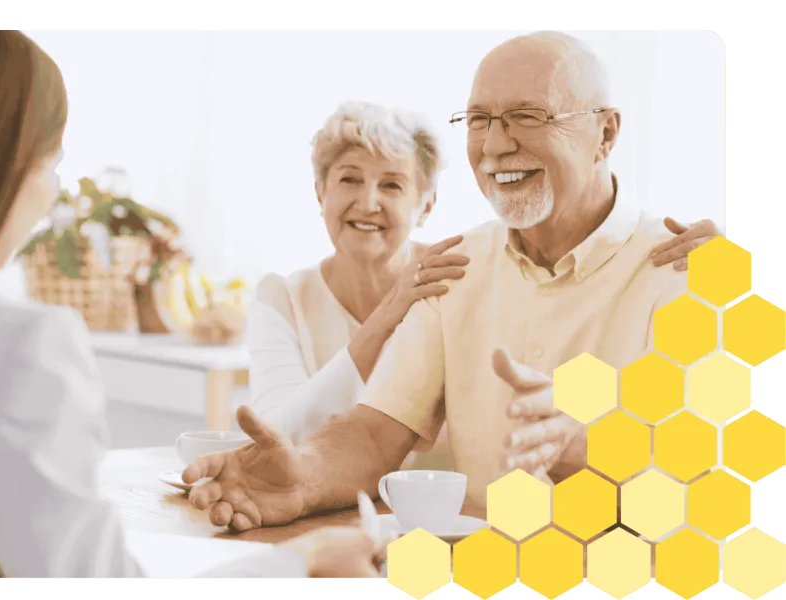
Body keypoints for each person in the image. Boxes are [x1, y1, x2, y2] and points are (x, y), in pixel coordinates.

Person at [182, 31, 722, 532]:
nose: (494, 146)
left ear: (605, 133)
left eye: (526, 116)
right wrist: (305, 476)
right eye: (480, 119)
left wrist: (586, 446)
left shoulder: (687, 273)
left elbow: (707, 489)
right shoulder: (456, 268)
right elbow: (375, 433)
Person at [0, 30, 385, 582]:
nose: (54, 192)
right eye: (53, 161)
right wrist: (302, 561)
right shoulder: (21, 346)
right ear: (8, 164)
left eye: (392, 185)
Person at [245, 101, 719, 471]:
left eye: (392, 186)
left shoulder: (454, 274)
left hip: (448, 530)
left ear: (426, 205)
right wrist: (388, 313)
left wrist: (729, 279)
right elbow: (275, 438)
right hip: (340, 517)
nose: (368, 203)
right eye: (350, 179)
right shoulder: (283, 296)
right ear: (320, 193)